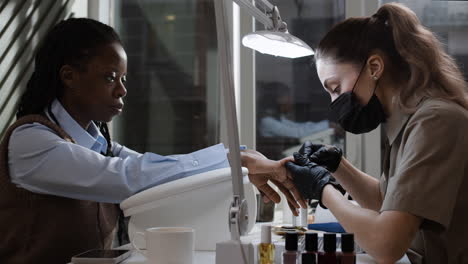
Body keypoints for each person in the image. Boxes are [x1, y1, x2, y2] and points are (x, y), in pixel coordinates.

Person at [0, 18, 303, 264]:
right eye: (110, 78)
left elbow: (158, 175)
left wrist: (240, 164)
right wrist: (232, 158)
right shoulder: (31, 142)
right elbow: (130, 179)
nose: (122, 91)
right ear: (69, 76)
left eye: (124, 79)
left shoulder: (100, 146)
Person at [242, 2, 468, 263]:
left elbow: (387, 244)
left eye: (336, 88)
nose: (334, 103)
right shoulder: (409, 119)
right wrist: (336, 165)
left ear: (374, 67)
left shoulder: (436, 121)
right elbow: (388, 203)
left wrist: (322, 187)